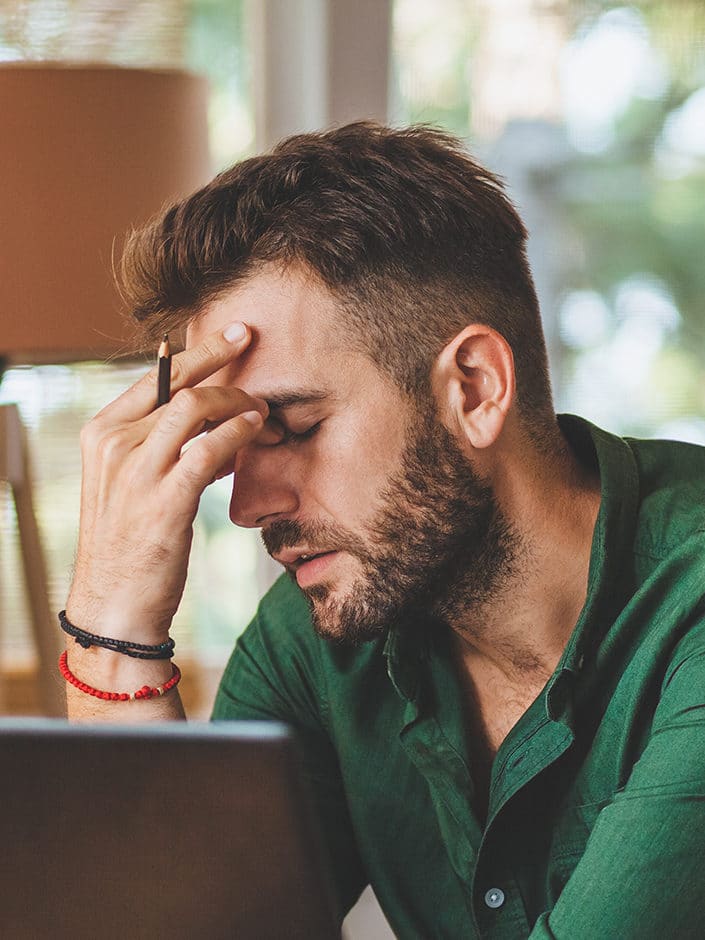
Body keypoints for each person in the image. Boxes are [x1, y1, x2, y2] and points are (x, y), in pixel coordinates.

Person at [64, 122, 705, 938]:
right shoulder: (320, 629)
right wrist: (111, 631)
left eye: (292, 428)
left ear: (473, 388)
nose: (248, 504)